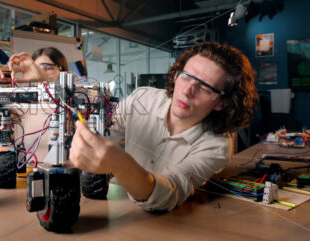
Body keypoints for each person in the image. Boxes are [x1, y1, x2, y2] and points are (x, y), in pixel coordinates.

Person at [69, 42, 258, 212]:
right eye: (185, 76)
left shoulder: (216, 147)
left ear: (222, 102)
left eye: (205, 87)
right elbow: (103, 135)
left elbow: (168, 195)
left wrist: (120, 164)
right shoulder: (142, 99)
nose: (187, 91)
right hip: (112, 205)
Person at [0, 47, 68, 123]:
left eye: (48, 67)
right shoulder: (23, 104)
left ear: (62, 70)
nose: (40, 72)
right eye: (37, 68)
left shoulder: (72, 103)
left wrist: (45, 79)